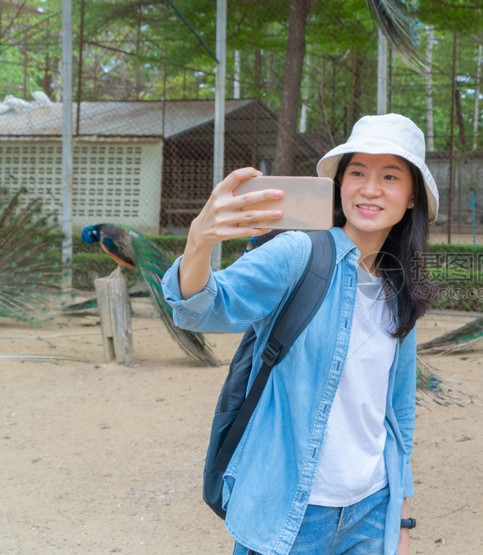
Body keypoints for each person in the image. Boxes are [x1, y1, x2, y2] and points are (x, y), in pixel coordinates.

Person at [161, 113, 439, 555]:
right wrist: (200, 241)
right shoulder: (299, 253)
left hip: (371, 511)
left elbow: (398, 413)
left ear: (410, 198)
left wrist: (399, 522)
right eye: (358, 173)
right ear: (340, 184)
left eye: (390, 176)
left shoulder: (401, 286)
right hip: (291, 513)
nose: (370, 188)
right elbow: (202, 309)